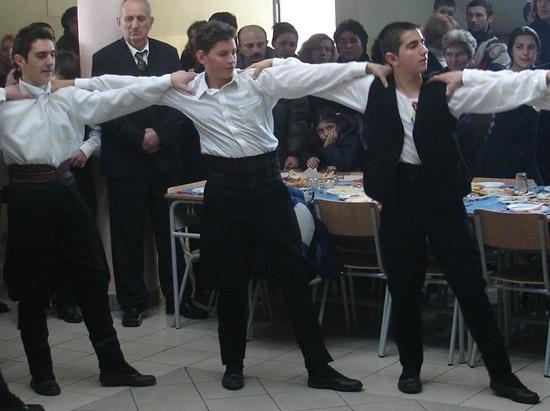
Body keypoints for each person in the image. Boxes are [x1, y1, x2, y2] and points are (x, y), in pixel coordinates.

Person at [72, 20, 397, 393]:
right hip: (224, 190)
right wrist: (69, 85)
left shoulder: (257, 81)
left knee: (294, 274)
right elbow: (123, 86)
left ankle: (319, 367)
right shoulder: (186, 89)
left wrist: (361, 67)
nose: (231, 60)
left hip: (268, 187)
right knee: (230, 279)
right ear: (202, 57)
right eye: (223, 54)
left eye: (233, 52)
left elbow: (310, 77)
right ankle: (233, 364)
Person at [0, 24, 196, 398]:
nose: (49, 62)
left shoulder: (68, 96)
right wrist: (6, 93)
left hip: (66, 190)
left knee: (93, 275)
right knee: (33, 286)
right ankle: (41, 371)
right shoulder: (7, 104)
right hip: (28, 195)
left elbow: (119, 95)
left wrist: (165, 82)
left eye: (52, 54)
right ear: (19, 61)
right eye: (40, 56)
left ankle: (113, 365)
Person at [92, 0, 207, 326]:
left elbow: (180, 103)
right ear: (119, 22)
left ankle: (179, 298)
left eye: (141, 18)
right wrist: (139, 137)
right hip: (125, 159)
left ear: (151, 22)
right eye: (129, 19)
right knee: (127, 236)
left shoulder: (167, 54)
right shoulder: (104, 58)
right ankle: (131, 303)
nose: (135, 24)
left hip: (164, 158)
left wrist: (159, 134)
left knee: (170, 232)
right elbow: (104, 108)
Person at [482, 26, 543, 183]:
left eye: (531, 47)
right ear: (511, 50)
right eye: (519, 47)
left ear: (537, 51)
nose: (525, 53)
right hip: (498, 159)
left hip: (530, 160)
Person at [442, 29, 493, 177]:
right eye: (449, 54)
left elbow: (482, 128)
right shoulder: (435, 82)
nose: (453, 59)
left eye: (459, 54)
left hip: (474, 156)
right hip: (441, 157)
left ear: (470, 57)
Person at [271, 22, 308, 170]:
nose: (288, 49)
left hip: (288, 147)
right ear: (273, 43)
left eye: (293, 44)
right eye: (283, 43)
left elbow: (299, 118)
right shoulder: (264, 67)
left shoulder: (299, 70)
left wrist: (293, 153)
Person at [302, 107, 364, 171]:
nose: (326, 134)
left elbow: (345, 165)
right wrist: (309, 159)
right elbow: (304, 152)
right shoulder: (316, 139)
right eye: (321, 131)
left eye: (330, 128)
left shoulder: (350, 138)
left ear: (338, 125)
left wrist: (329, 147)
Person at [466, 0, 510, 70]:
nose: (473, 19)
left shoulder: (499, 48)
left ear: (490, 19)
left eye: (479, 15)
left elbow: (499, 75)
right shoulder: (457, 42)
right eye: (470, 15)